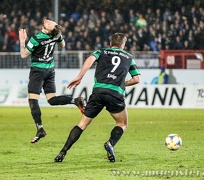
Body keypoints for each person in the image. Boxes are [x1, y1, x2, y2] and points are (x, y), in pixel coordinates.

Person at [54, 33, 141, 163]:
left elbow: (89, 60)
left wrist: (79, 77)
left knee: (82, 124)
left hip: (98, 92)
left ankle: (62, 152)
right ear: (123, 45)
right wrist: (123, 83)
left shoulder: (102, 51)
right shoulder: (129, 57)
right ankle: (110, 143)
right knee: (122, 123)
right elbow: (137, 79)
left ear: (110, 44)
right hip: (115, 94)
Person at [19, 19, 85, 144]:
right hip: (50, 70)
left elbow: (24, 55)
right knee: (52, 100)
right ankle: (75, 100)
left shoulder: (36, 38)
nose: (48, 21)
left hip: (38, 71)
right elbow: (63, 45)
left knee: (33, 100)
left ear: (48, 29)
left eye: (51, 23)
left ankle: (40, 129)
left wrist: (22, 41)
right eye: (50, 21)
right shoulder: (56, 35)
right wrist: (58, 35)